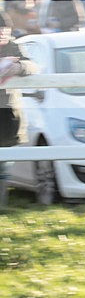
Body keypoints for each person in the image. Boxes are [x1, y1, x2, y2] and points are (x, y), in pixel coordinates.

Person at [1, 11, 35, 205]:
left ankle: (1, 206)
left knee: (4, 167)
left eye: (4, 29)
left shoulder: (15, 47)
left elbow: (32, 66)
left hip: (7, 117)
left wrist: (18, 67)